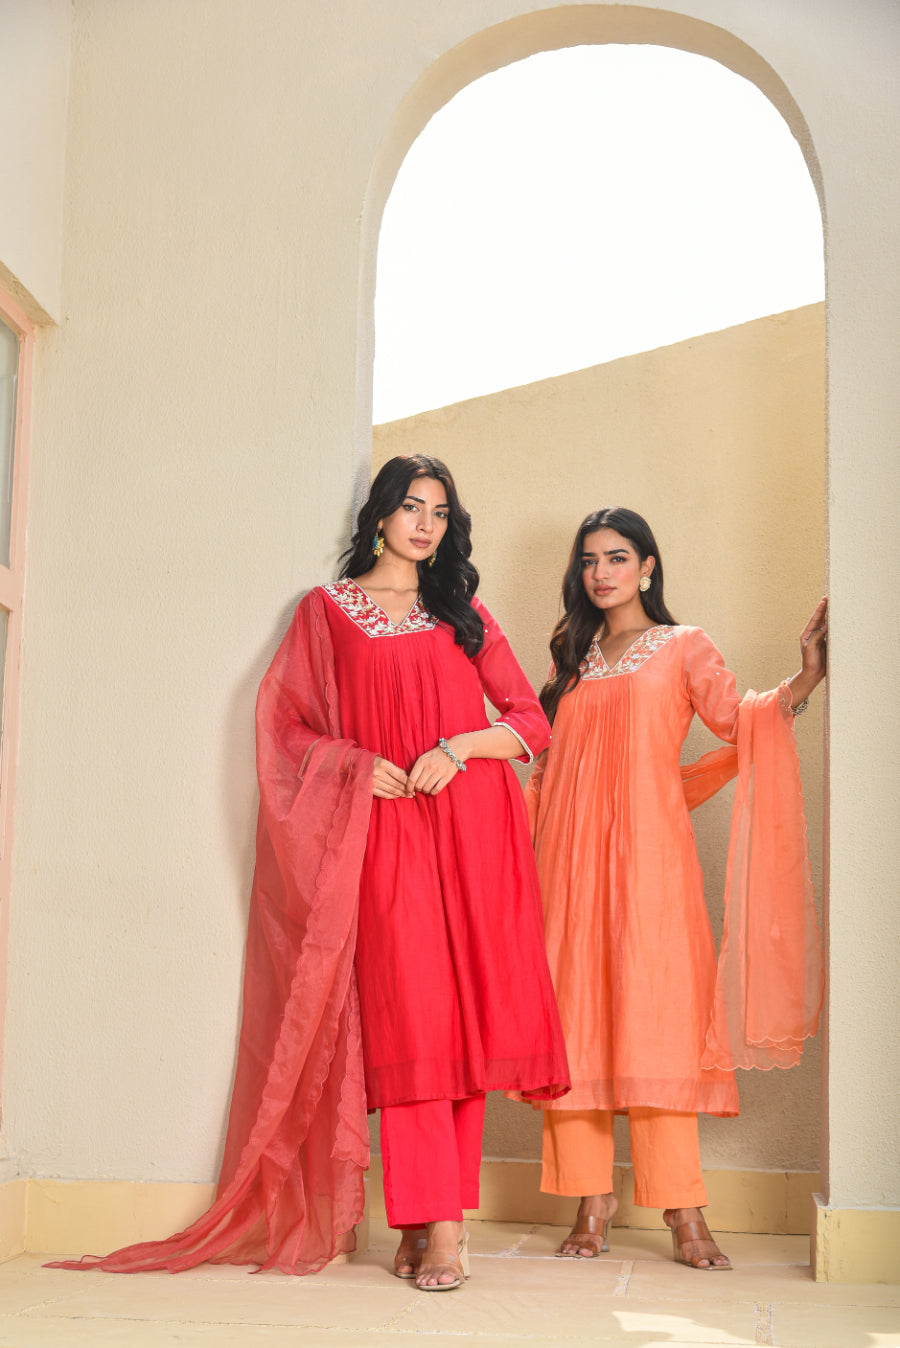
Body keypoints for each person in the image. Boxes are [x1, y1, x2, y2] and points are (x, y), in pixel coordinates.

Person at [51, 455, 568, 1290]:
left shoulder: (463, 614)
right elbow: (282, 725)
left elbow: (529, 722)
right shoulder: (327, 614)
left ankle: (438, 1224)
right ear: (379, 517)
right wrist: (353, 765)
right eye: (411, 506)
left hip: (470, 832)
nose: (426, 522)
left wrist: (456, 747)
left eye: (440, 510)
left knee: (463, 1030)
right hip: (383, 835)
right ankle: (429, 1219)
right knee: (414, 1024)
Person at [526, 507, 825, 1271]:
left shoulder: (682, 646)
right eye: (589, 560)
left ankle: (684, 1212)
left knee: (659, 1024)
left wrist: (807, 676)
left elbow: (742, 720)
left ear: (648, 567)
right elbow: (543, 768)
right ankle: (590, 1203)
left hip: (652, 862)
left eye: (617, 557)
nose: (602, 573)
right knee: (577, 1024)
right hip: (564, 863)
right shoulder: (571, 657)